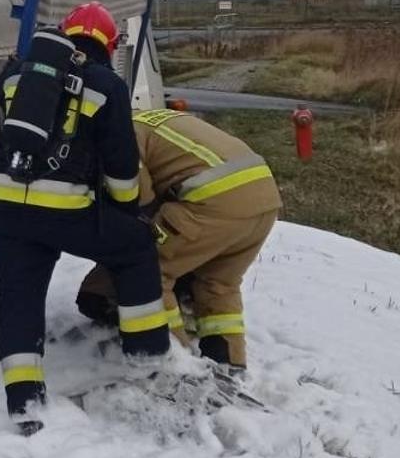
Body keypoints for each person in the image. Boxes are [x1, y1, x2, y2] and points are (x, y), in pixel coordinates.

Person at [0, 1, 168, 435]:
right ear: (111, 43)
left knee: (19, 297)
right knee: (136, 248)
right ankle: (147, 358)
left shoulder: (18, 76)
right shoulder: (106, 85)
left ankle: (24, 403)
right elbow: (122, 166)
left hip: (6, 209)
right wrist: (126, 211)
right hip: (65, 210)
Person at [75, 107, 282, 373]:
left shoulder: (113, 132)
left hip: (211, 202)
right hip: (264, 200)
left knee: (146, 272)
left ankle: (176, 366)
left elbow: (139, 198)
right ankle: (230, 365)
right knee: (218, 284)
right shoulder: (150, 118)